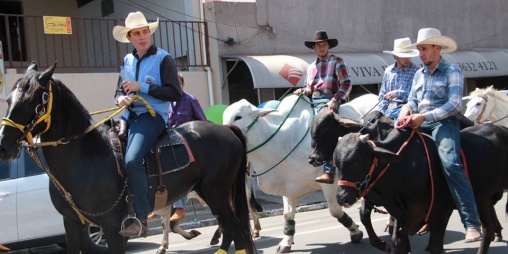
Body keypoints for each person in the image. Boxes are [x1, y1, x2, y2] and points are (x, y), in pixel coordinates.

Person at [397, 28, 482, 242]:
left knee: (450, 162)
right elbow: (412, 101)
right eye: (419, 50)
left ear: (437, 48)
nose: (421, 54)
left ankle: (471, 223)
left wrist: (424, 117)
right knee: (394, 155)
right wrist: (405, 110)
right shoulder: (419, 74)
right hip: (418, 122)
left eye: (424, 49)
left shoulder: (451, 71)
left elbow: (454, 104)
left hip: (444, 123)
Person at [113, 11, 182, 237]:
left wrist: (140, 87)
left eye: (145, 32)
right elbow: (119, 89)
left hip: (154, 117)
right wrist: (120, 98)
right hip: (128, 116)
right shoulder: (127, 60)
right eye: (136, 33)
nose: (142, 37)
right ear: (130, 37)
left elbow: (175, 93)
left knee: (132, 160)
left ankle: (141, 219)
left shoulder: (164, 58)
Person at [293, 30, 352, 184]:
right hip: (313, 100)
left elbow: (346, 83)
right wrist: (302, 91)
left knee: (324, 126)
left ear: (328, 46)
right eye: (318, 45)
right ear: (314, 47)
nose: (322, 47)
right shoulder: (311, 66)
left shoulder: (337, 61)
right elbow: (309, 88)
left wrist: (335, 100)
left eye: (324, 44)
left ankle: (329, 170)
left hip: (329, 99)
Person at [148, 73, 207, 221]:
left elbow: (202, 122)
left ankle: (180, 209)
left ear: (182, 84)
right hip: (172, 141)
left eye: (177, 83)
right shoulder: (167, 103)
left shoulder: (190, 100)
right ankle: (161, 207)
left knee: (178, 170)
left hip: (189, 143)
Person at [378, 37, 420, 120]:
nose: (407, 59)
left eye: (409, 56)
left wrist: (397, 93)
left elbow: (417, 96)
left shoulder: (417, 71)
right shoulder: (388, 71)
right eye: (404, 57)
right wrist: (381, 112)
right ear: (395, 56)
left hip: (407, 110)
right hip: (388, 110)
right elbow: (382, 94)